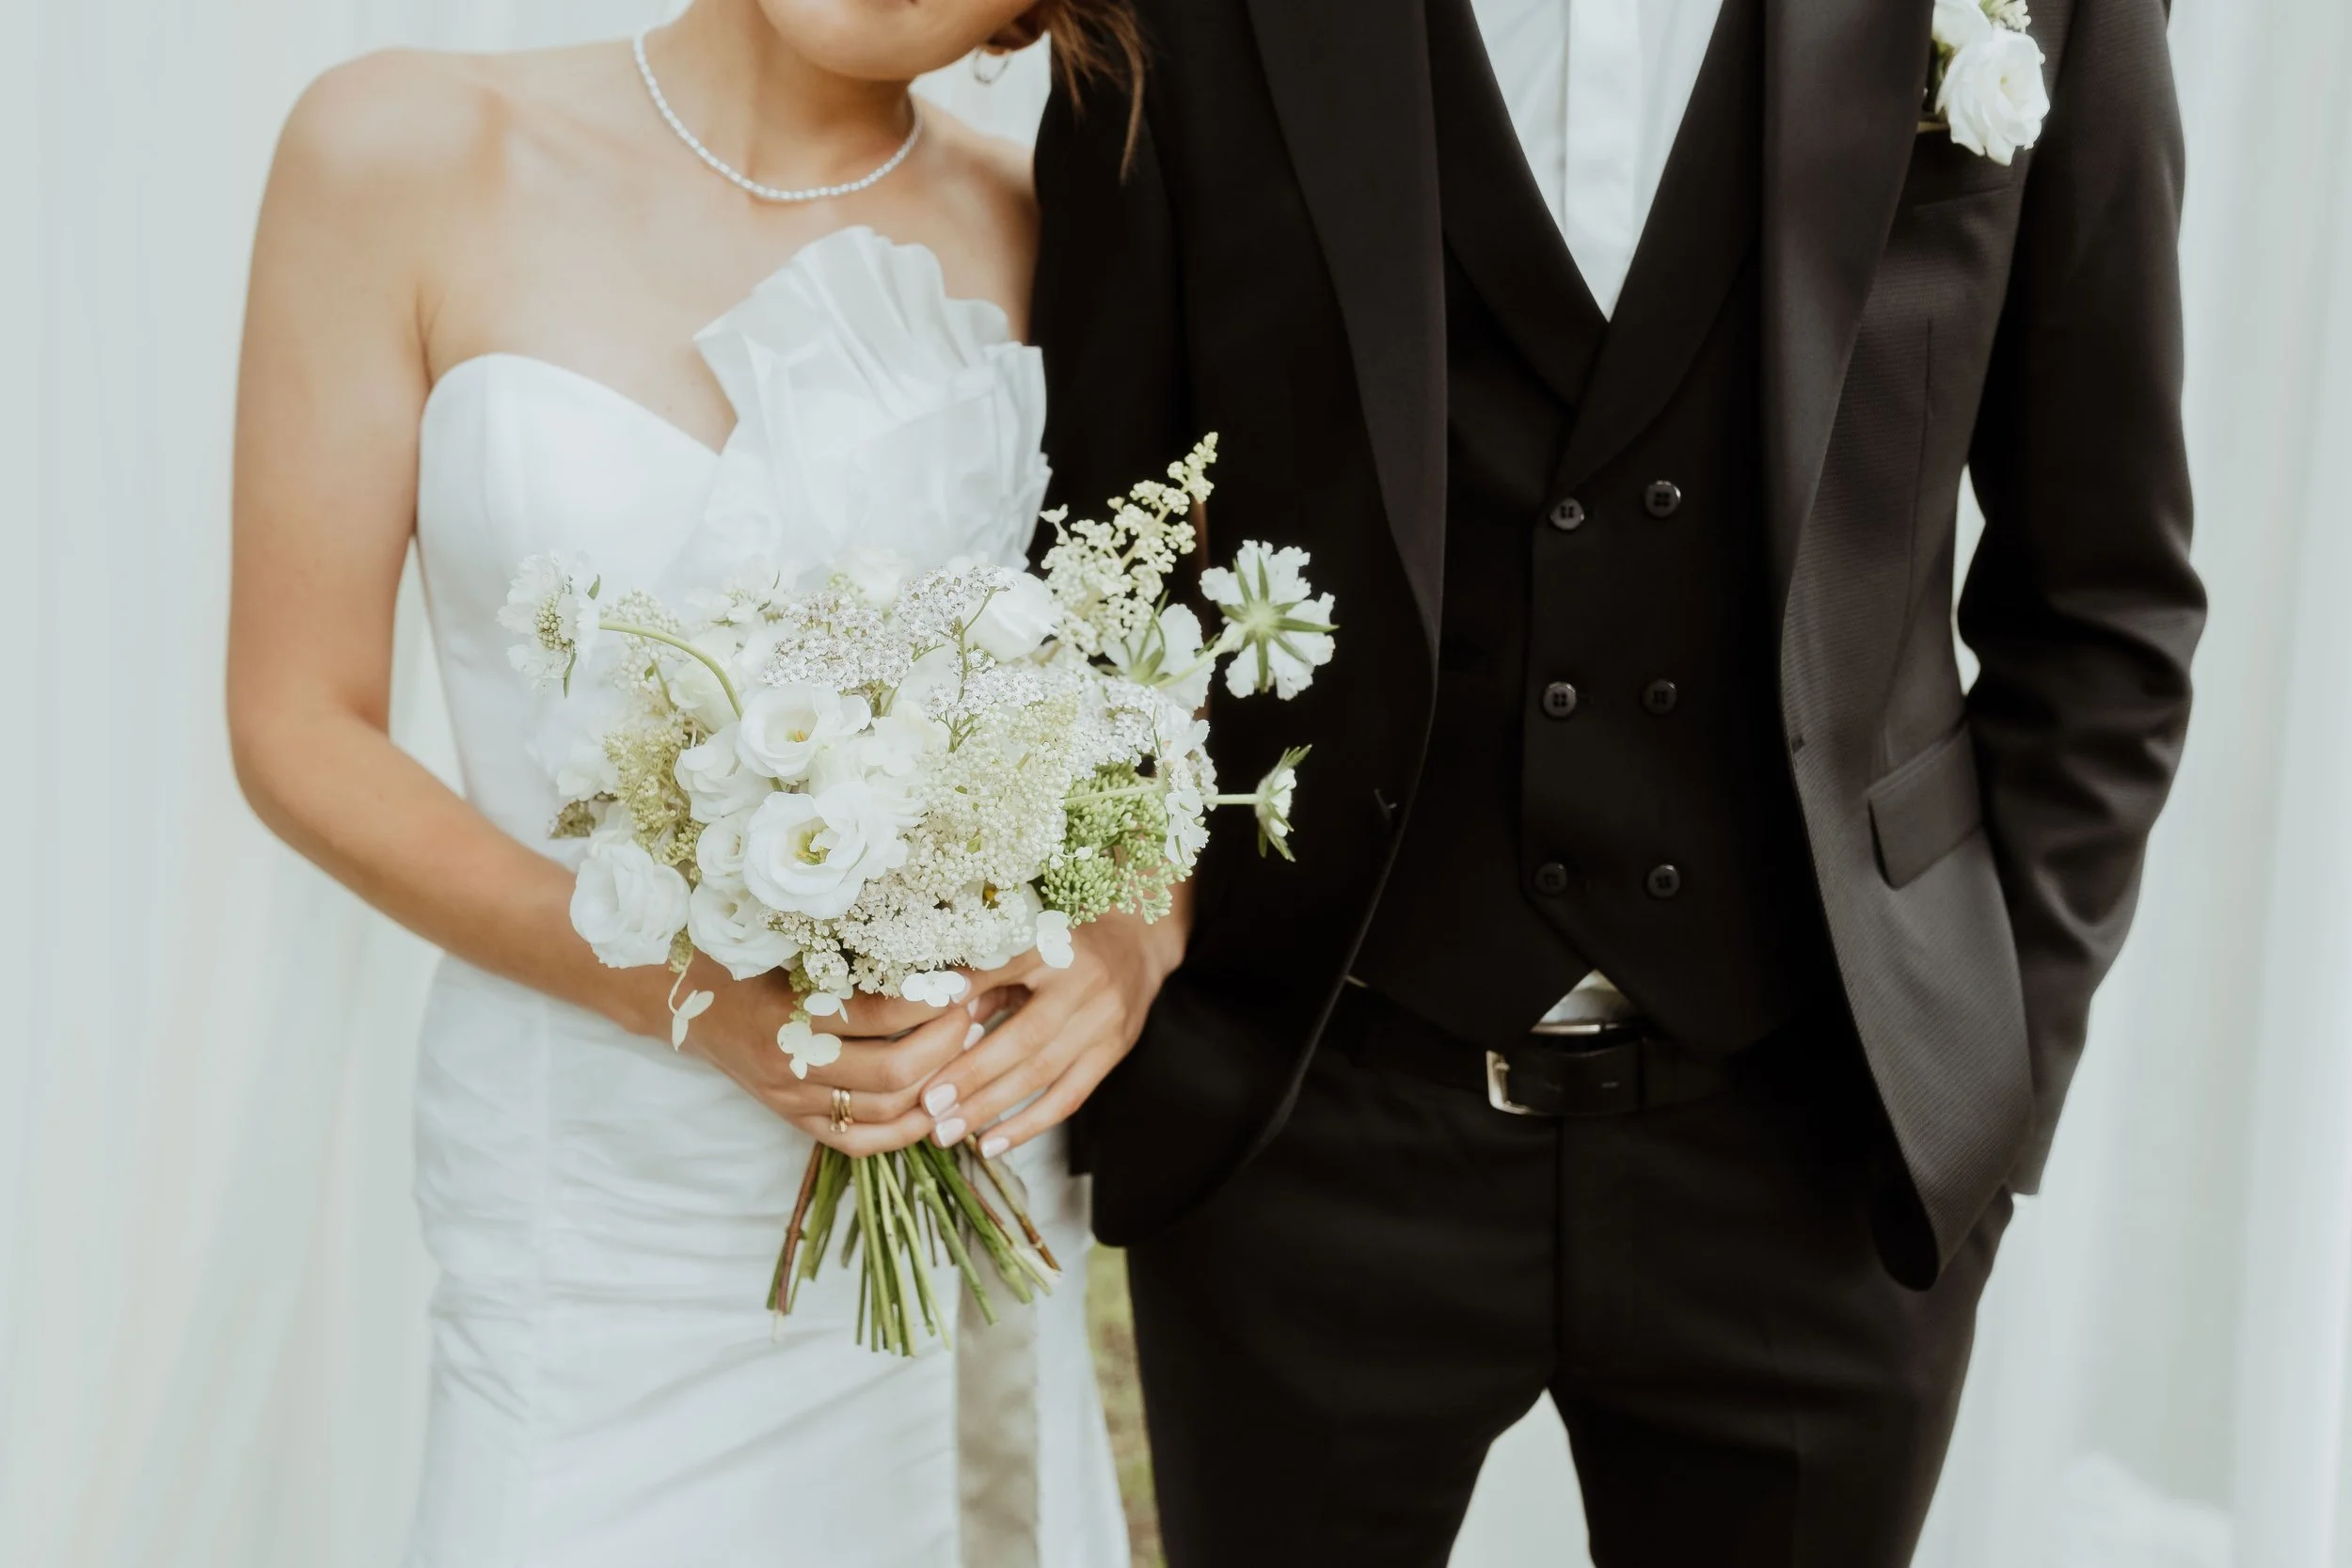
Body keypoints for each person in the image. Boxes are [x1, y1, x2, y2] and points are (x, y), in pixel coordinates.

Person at [1032, 0, 2204, 1562]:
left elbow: (2108, 601)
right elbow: (1085, 552)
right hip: (1313, 1128)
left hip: (1815, 1154)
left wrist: (1988, 1075)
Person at [226, 2, 1162, 1561]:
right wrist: (689, 991)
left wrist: (1137, 936)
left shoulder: (1057, 231)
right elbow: (295, 726)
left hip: (941, 1168)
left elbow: (1159, 699)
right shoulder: (397, 149)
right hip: (593, 1213)